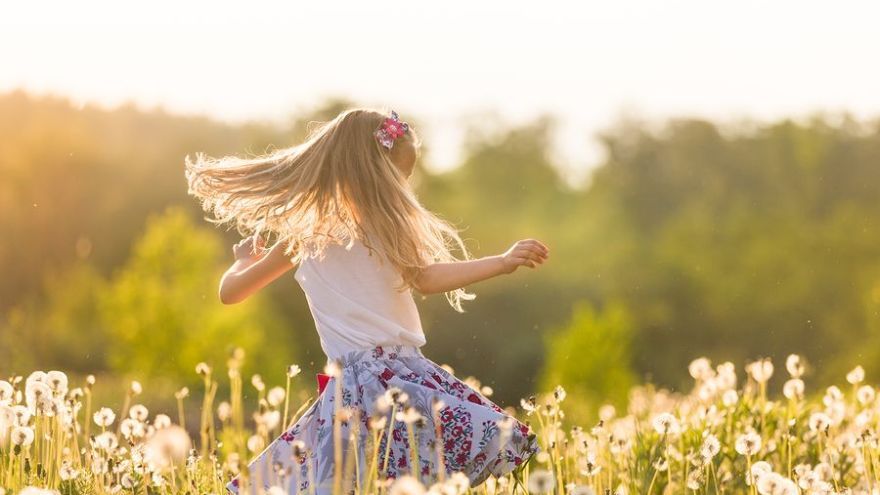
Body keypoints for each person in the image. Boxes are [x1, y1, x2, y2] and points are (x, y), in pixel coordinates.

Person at [184, 108, 549, 494]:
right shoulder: (355, 229)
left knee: (355, 482)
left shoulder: (308, 233)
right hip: (389, 381)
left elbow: (231, 290)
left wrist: (241, 262)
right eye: (399, 177)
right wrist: (501, 263)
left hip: (376, 381)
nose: (403, 188)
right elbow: (426, 278)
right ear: (370, 173)